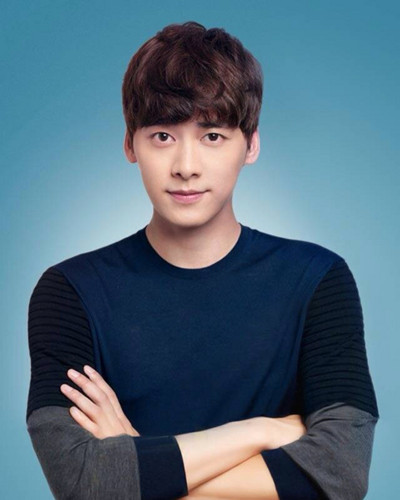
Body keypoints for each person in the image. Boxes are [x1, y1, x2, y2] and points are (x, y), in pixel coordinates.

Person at [26, 21, 379, 500]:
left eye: (212, 135)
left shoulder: (318, 280)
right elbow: (82, 482)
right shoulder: (70, 292)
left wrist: (139, 460)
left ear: (251, 144)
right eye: (162, 136)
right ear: (130, 144)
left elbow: (342, 474)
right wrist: (260, 431)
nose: (186, 167)